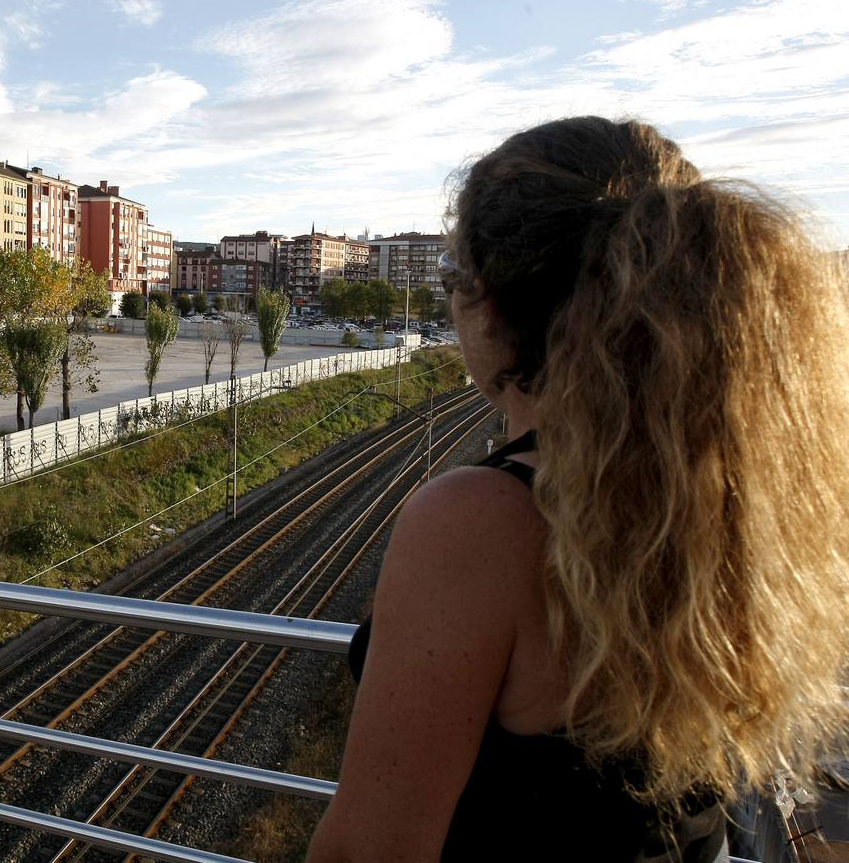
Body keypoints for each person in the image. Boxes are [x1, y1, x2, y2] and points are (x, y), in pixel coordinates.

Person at [307, 117, 849, 862]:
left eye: (450, 282)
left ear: (490, 304)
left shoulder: (480, 520)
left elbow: (370, 849)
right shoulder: (732, 500)